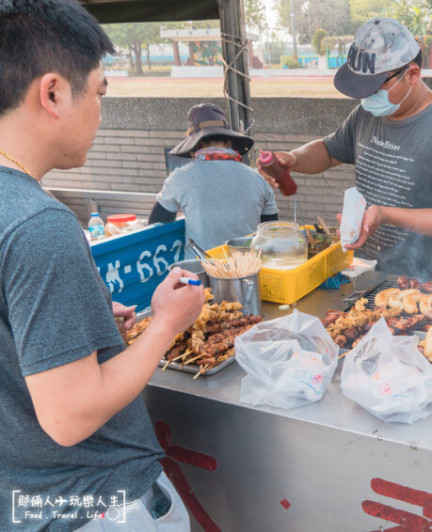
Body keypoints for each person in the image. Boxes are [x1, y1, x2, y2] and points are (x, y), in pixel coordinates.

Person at [0, 1, 205, 530]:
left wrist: (84, 327)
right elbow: (69, 416)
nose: (100, 110)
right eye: (98, 92)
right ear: (52, 93)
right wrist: (165, 325)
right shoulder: (38, 225)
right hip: (94, 506)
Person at [261, 18, 432, 281]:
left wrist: (385, 215)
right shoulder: (367, 114)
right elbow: (330, 151)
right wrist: (293, 158)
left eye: (375, 87)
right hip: (369, 275)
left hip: (429, 284)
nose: (367, 97)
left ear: (412, 75)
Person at [148, 103, 278, 251]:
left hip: (201, 270)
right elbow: (271, 231)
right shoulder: (259, 179)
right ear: (230, 142)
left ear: (196, 145)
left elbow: (156, 224)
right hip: (249, 268)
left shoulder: (179, 178)